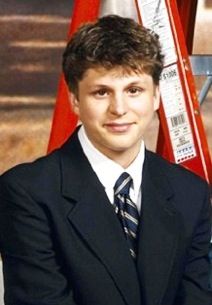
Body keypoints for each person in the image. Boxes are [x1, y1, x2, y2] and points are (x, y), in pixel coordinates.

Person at [0, 14, 211, 305]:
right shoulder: (27, 192)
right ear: (75, 99)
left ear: (156, 97)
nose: (119, 109)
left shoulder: (191, 193)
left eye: (134, 90)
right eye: (101, 92)